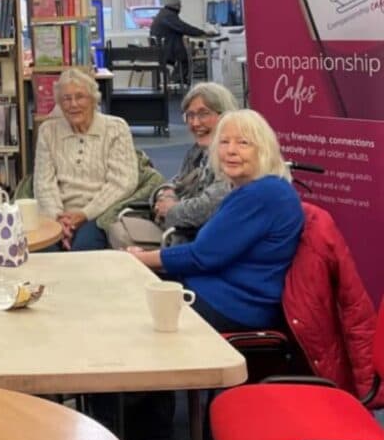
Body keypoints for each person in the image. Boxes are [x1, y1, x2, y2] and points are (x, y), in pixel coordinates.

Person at [129, 109, 304, 331]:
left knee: (128, 306)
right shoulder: (259, 189)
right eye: (223, 142)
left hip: (233, 306)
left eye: (243, 143)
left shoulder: (261, 195)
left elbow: (201, 256)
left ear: (264, 150)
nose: (231, 151)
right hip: (221, 292)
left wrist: (137, 259)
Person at [107, 82, 238, 249]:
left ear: (225, 115)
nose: (195, 123)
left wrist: (171, 210)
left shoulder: (231, 158)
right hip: (176, 231)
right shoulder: (198, 152)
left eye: (203, 114)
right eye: (190, 115)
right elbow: (172, 183)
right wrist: (166, 195)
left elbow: (208, 209)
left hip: (199, 241)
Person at [34, 68, 138, 251]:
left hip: (99, 213)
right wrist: (59, 219)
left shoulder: (116, 128)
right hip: (57, 214)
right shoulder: (48, 131)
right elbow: (43, 183)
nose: (73, 104)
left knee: (84, 247)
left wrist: (85, 214)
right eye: (66, 99)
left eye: (80, 97)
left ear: (93, 99)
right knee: (45, 250)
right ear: (59, 103)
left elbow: (123, 182)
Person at [149, 0, 214, 85]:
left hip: (161, 49)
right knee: (184, 59)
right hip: (165, 51)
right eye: (179, 7)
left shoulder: (163, 13)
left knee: (183, 55)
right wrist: (203, 33)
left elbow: (181, 28)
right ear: (176, 6)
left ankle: (176, 82)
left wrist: (199, 33)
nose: (180, 9)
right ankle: (177, 83)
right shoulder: (168, 15)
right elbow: (183, 27)